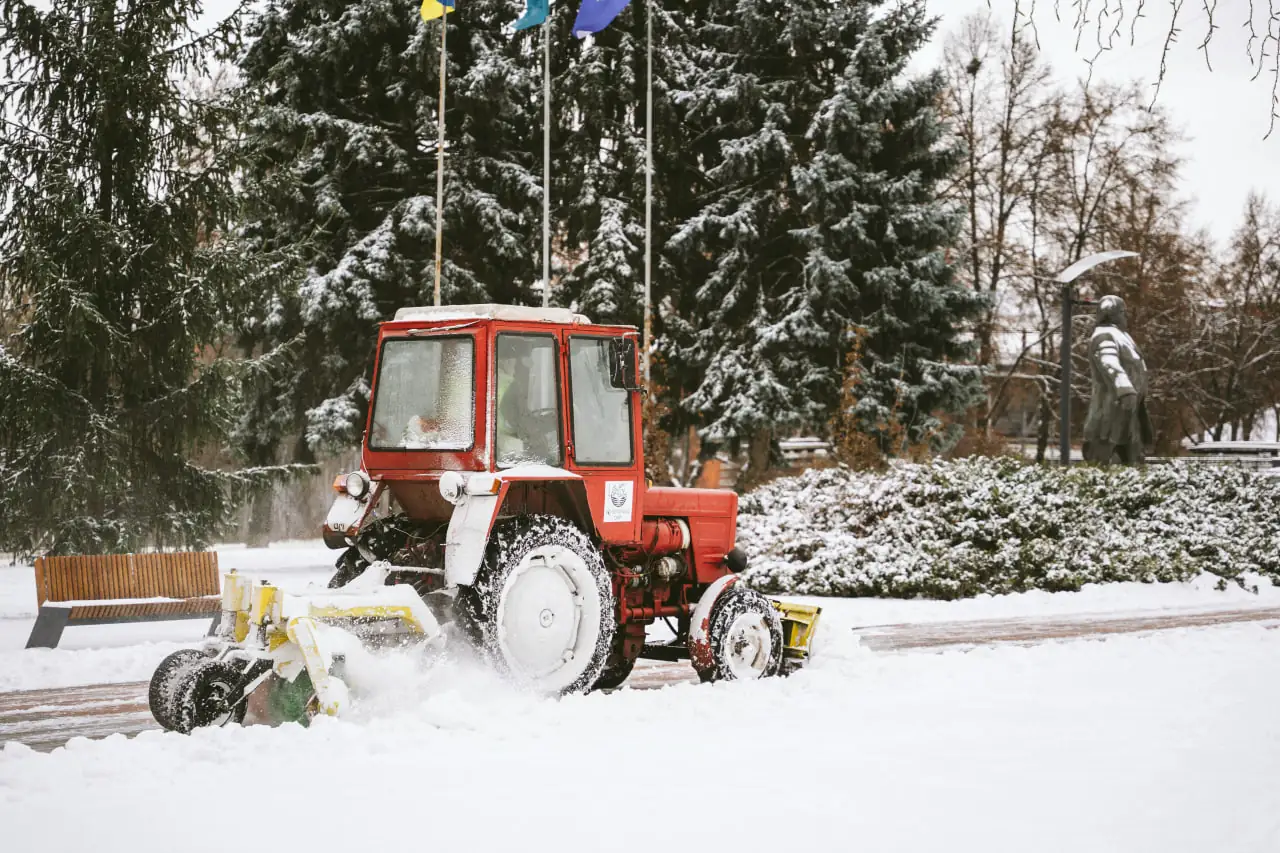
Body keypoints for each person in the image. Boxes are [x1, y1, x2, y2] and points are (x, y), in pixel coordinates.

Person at [1083, 295, 1153, 465]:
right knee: (1103, 455)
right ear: (1114, 314)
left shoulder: (1121, 335)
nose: (1126, 316)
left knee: (1133, 458)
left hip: (1129, 410)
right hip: (1112, 409)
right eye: (1123, 312)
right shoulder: (1105, 335)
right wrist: (1125, 389)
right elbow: (1109, 362)